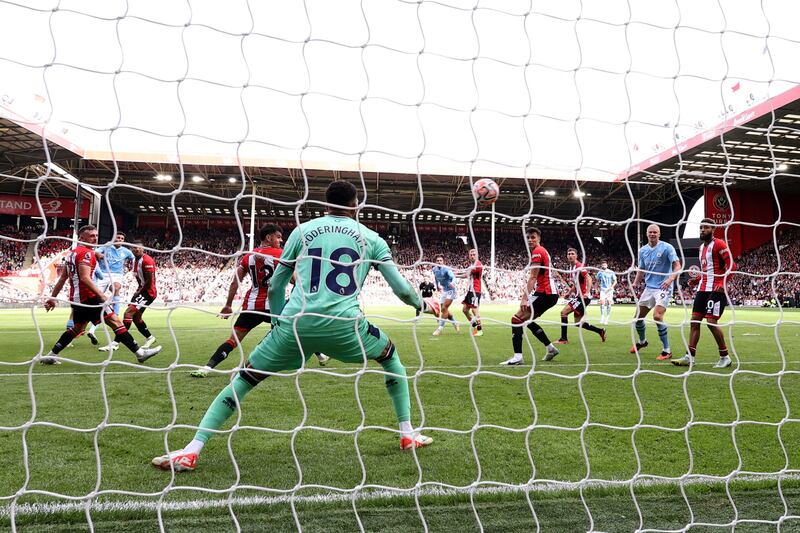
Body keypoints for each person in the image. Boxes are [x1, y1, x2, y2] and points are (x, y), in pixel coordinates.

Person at [152, 181, 432, 473]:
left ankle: (191, 450)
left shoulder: (303, 231)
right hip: (344, 326)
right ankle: (407, 433)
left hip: (294, 326)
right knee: (390, 357)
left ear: (326, 204)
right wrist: (421, 305)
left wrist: (277, 322)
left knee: (244, 379)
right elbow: (402, 291)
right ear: (356, 204)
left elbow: (276, 285)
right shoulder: (371, 238)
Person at [190, 224, 328, 379]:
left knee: (232, 340)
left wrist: (228, 305)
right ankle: (320, 355)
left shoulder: (248, 256)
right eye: (278, 237)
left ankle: (206, 368)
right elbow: (294, 281)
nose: (281, 240)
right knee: (294, 329)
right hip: (274, 307)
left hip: (251, 306)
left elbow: (235, 282)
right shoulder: (281, 255)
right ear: (269, 237)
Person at [41, 225, 162, 365]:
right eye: (91, 236)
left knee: (78, 328)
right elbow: (85, 278)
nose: (95, 238)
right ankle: (140, 353)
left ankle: (51, 355)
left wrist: (52, 298)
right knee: (115, 322)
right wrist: (102, 296)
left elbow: (63, 278)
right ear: (82, 238)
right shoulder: (87, 253)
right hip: (89, 298)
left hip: (76, 299)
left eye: (96, 235)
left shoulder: (72, 254)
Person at [672, 219, 734, 369]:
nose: (702, 230)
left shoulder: (719, 244)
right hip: (703, 289)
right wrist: (697, 279)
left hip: (716, 290)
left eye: (706, 227)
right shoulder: (701, 248)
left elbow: (732, 265)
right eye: (701, 227)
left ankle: (725, 357)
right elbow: (708, 270)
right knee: (695, 321)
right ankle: (689, 357)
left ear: (713, 229)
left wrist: (722, 283)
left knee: (711, 322)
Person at [501, 227, 560, 365]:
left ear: (539, 238)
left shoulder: (538, 252)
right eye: (528, 237)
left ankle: (517, 357)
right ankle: (551, 348)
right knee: (526, 321)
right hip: (550, 294)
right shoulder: (542, 251)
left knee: (516, 319)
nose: (530, 240)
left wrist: (524, 298)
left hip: (544, 293)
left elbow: (533, 277)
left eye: (533, 237)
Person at [630, 224, 681, 361]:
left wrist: (670, 279)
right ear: (647, 234)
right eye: (650, 232)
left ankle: (666, 350)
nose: (652, 234)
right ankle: (642, 342)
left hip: (663, 287)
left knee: (657, 317)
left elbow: (677, 265)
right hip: (649, 288)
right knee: (637, 318)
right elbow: (641, 269)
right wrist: (635, 282)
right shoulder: (643, 250)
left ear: (659, 234)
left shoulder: (667, 248)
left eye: (655, 232)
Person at [90, 231, 135, 351]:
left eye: (121, 238)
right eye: (118, 237)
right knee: (96, 299)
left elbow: (133, 258)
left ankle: (116, 313)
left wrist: (131, 270)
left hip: (117, 275)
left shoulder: (126, 251)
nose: (119, 239)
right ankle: (91, 329)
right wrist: (98, 255)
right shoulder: (106, 246)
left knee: (116, 287)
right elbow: (95, 251)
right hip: (103, 274)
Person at [555, 248, 605, 344]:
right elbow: (576, 284)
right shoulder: (571, 268)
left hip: (583, 297)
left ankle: (564, 339)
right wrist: (569, 292)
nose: (570, 255)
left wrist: (587, 292)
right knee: (578, 323)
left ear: (576, 256)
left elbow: (589, 278)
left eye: (572, 253)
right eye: (568, 253)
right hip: (579, 297)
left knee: (563, 313)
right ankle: (600, 331)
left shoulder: (579, 266)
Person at [122, 242, 158, 349]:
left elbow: (149, 281)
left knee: (128, 314)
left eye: (138, 248)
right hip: (142, 291)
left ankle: (116, 342)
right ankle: (150, 338)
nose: (136, 249)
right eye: (134, 248)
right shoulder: (135, 261)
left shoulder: (147, 260)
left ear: (143, 249)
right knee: (136, 318)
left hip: (148, 293)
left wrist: (139, 292)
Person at [431, 254, 460, 336]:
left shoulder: (447, 269)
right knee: (444, 310)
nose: (439, 262)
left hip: (451, 290)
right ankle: (455, 323)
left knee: (444, 308)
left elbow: (453, 277)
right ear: (435, 262)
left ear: (443, 262)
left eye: (441, 260)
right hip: (444, 290)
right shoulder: (434, 269)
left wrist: (452, 283)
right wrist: (437, 286)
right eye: (438, 261)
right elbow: (436, 278)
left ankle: (439, 329)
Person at [458, 249, 484, 337]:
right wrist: (454, 275)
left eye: (474, 254)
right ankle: (475, 326)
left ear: (477, 255)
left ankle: (480, 330)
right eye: (471, 255)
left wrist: (454, 274)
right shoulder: (471, 265)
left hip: (476, 291)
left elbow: (466, 274)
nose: (472, 256)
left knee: (474, 309)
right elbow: (466, 274)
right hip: (470, 290)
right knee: (465, 310)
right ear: (468, 256)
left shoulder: (478, 264)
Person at [596, 261, 617, 325]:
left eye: (604, 264)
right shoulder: (599, 272)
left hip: (609, 290)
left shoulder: (611, 272)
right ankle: (602, 316)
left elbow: (615, 281)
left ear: (607, 265)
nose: (603, 266)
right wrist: (598, 287)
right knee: (602, 302)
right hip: (603, 289)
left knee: (609, 302)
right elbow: (597, 280)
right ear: (601, 266)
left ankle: (607, 318)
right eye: (602, 265)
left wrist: (612, 287)